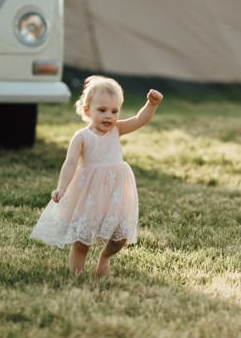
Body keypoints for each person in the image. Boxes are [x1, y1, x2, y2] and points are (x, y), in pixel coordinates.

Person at [30, 76, 163, 275]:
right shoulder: (82, 137)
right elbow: (70, 164)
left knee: (120, 238)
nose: (109, 116)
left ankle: (104, 259)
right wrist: (62, 188)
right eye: (102, 110)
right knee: (82, 241)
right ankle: (77, 275)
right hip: (89, 196)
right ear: (86, 110)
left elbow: (139, 120)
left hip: (114, 194)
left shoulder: (116, 130)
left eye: (114, 111)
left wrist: (151, 104)